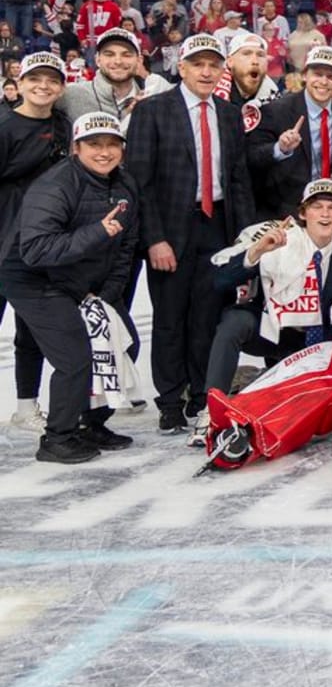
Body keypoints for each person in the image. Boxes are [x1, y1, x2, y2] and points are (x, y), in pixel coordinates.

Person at [128, 33, 256, 433]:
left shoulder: (229, 113)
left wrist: (244, 238)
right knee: (169, 316)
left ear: (222, 70)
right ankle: (169, 399)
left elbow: (237, 179)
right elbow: (139, 182)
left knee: (206, 315)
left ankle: (201, 393)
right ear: (181, 68)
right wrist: (154, 238)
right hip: (171, 227)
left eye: (213, 64)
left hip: (216, 224)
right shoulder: (152, 111)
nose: (205, 71)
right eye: (197, 64)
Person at [0, 110, 139, 463]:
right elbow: (35, 249)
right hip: (32, 278)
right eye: (94, 144)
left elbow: (125, 247)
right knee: (75, 356)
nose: (104, 152)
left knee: (124, 343)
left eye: (111, 144)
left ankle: (90, 421)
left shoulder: (124, 184)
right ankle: (57, 439)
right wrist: (95, 233)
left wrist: (105, 295)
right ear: (76, 148)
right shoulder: (55, 185)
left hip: (81, 280)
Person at [195, 179, 332, 448]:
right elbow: (221, 281)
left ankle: (258, 386)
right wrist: (258, 251)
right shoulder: (279, 241)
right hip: (271, 332)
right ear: (302, 213)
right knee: (235, 321)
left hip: (312, 342)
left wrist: (319, 356)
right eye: (316, 207)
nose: (324, 214)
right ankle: (211, 407)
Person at [0, 52, 71, 432]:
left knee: (31, 330)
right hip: (4, 240)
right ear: (20, 82)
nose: (43, 86)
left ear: (61, 87)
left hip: (40, 244)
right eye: (35, 79)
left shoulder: (63, 125)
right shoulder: (4, 125)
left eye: (51, 80)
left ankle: (26, 405)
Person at [246, 46, 332, 219]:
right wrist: (279, 149)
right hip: (284, 209)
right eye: (317, 74)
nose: (324, 82)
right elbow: (252, 156)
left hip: (327, 207)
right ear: (304, 75)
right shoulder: (276, 110)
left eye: (331, 77)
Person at [58, 27, 170, 131]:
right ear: (97, 60)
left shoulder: (153, 99)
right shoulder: (71, 94)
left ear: (139, 60)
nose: (118, 61)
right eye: (109, 54)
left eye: (126, 55)